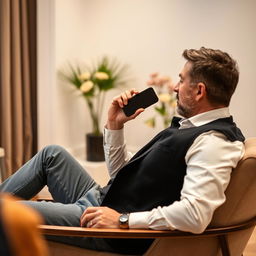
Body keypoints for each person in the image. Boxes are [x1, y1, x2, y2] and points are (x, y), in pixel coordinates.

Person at [0, 47, 245, 255]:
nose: (175, 87)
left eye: (181, 80)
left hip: (112, 226)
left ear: (200, 90)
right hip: (105, 199)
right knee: (51, 155)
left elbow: (195, 214)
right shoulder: (192, 128)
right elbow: (123, 174)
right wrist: (115, 125)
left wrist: (122, 221)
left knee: (7, 213)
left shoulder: (213, 142)